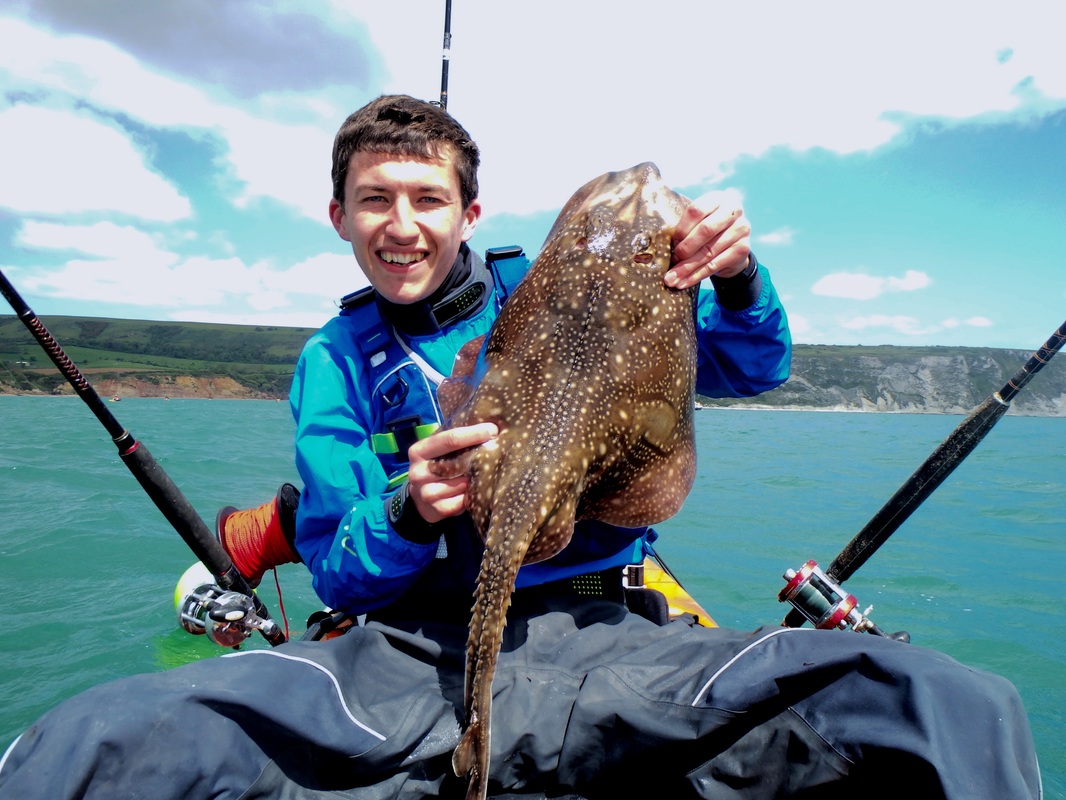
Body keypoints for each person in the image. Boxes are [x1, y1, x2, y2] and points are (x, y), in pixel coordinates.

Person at [0, 95, 1041, 800]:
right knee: (84, 748)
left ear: (471, 212)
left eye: (426, 199)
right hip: (399, 652)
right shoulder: (334, 359)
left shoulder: (559, 289)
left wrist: (728, 275)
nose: (401, 224)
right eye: (376, 199)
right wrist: (408, 507)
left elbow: (746, 366)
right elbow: (339, 560)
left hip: (604, 634)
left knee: (946, 702)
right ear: (339, 216)